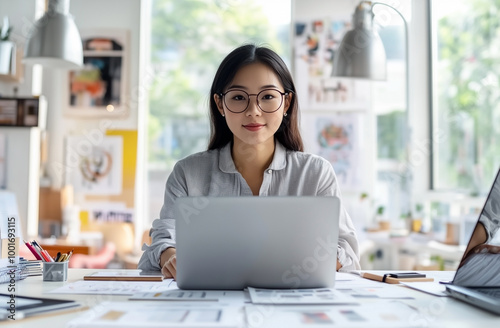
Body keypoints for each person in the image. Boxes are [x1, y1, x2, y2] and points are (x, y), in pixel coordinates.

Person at [138, 44, 360, 279]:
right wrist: (171, 255)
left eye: (267, 96)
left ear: (286, 103)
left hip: (292, 300)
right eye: (238, 97)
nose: (253, 111)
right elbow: (162, 242)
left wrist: (301, 263)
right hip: (211, 303)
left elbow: (346, 250)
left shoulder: (315, 173)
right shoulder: (188, 174)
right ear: (220, 104)